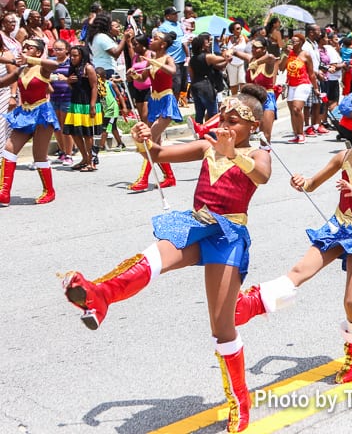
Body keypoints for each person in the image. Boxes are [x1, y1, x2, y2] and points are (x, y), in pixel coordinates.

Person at [62, 86, 272, 433]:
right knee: (155, 256)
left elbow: (261, 176)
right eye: (223, 118)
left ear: (251, 126)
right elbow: (157, 154)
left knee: (222, 329)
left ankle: (239, 401)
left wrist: (233, 152)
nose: (225, 125)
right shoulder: (207, 148)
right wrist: (144, 135)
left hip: (227, 235)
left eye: (234, 121)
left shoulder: (257, 153)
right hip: (196, 224)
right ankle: (101, 295)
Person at [230, 95, 352, 385]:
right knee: (299, 271)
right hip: (337, 226)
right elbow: (312, 184)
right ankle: (252, 304)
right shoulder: (344, 156)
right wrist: (302, 182)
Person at [0, 38, 60, 204]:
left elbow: (55, 65)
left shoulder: (43, 68)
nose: (24, 49)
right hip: (25, 113)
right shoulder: (21, 70)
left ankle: (49, 191)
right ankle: (4, 192)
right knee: (9, 149)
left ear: (38, 52)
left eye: (29, 47)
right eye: (23, 47)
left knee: (39, 155)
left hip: (42, 113)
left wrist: (31, 60)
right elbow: (2, 82)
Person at [126, 32, 182, 192]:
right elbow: (142, 78)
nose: (152, 40)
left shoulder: (167, 58)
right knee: (155, 142)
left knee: (148, 140)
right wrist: (133, 75)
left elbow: (172, 71)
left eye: (156, 39)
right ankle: (169, 177)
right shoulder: (150, 60)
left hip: (166, 101)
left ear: (163, 44)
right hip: (154, 101)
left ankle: (143, 179)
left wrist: (152, 62)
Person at [62, 45, 103, 171]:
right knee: (74, 132)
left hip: (87, 105)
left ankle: (91, 161)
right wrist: (68, 82)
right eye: (71, 55)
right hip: (76, 104)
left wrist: (92, 105)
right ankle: (84, 158)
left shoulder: (88, 68)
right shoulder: (73, 69)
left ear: (82, 56)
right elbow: (74, 88)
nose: (72, 58)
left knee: (87, 134)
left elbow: (94, 87)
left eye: (75, 55)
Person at [233, 39, 279, 147]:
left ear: (264, 49)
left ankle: (264, 152)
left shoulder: (268, 63)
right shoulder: (251, 59)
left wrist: (256, 63)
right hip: (252, 99)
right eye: (252, 47)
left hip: (266, 99)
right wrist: (229, 52)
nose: (253, 49)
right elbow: (236, 52)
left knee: (265, 134)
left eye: (257, 47)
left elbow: (271, 57)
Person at [281, 32, 315, 144]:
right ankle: (296, 134)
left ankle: (301, 134)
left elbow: (311, 73)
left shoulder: (306, 55)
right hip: (291, 84)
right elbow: (281, 68)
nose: (293, 43)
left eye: (295, 41)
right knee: (292, 111)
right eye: (292, 41)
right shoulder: (289, 54)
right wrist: (285, 56)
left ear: (301, 42)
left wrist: (316, 87)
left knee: (297, 108)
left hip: (303, 83)